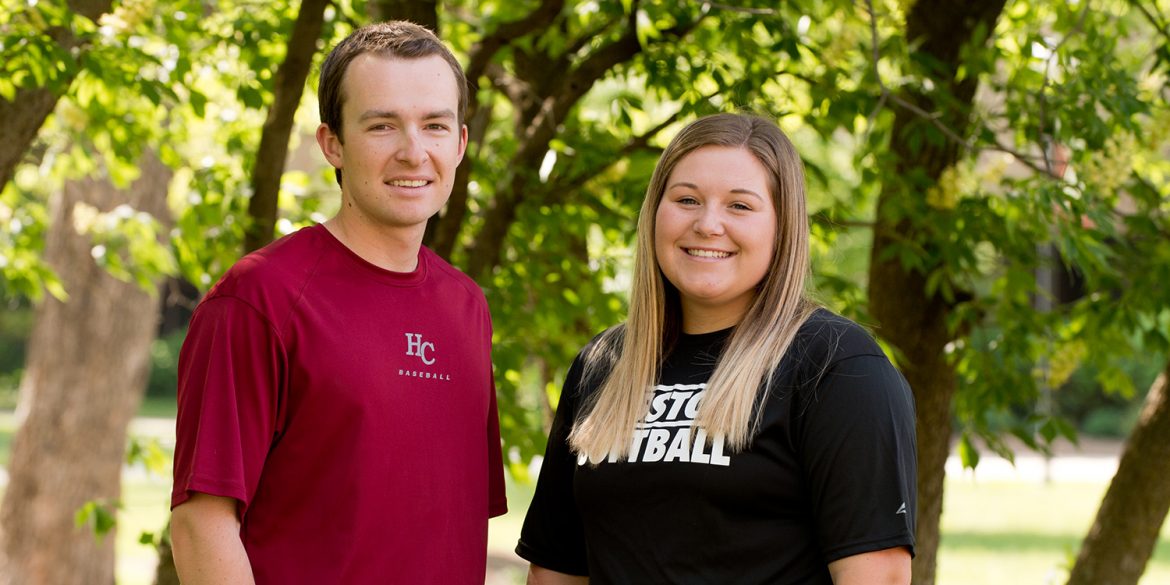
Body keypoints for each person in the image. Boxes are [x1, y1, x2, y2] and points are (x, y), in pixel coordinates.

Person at [169, 21, 507, 584]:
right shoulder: (258, 299)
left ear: (461, 143)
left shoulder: (467, 307)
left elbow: (450, 520)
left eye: (434, 126)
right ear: (332, 144)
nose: (413, 151)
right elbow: (201, 524)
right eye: (382, 126)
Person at [516, 113, 916, 584]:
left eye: (740, 206)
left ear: (782, 227)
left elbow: (879, 577)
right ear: (655, 214)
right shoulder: (604, 366)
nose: (707, 225)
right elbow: (555, 571)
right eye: (686, 199)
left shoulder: (837, 368)